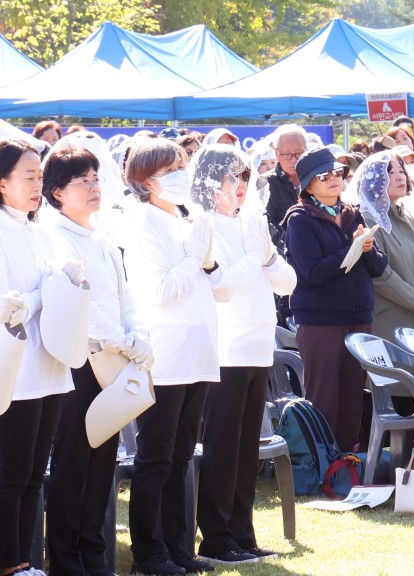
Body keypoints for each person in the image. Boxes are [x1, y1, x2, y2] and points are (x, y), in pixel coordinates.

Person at [43, 145, 154, 576]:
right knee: (74, 462)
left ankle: (93, 554)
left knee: (102, 461)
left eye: (95, 179)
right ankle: (66, 559)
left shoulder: (102, 236)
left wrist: (137, 333)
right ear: (57, 192)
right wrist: (125, 342)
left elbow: (126, 294)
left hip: (114, 363)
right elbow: (81, 301)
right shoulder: (56, 236)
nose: (93, 187)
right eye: (82, 181)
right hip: (81, 364)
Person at [189, 146, 296, 564]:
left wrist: (266, 255)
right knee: (223, 446)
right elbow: (224, 285)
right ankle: (216, 537)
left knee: (247, 447)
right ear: (211, 181)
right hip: (226, 348)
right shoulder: (203, 224)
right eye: (232, 179)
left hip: (258, 346)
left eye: (244, 179)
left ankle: (242, 532)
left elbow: (287, 283)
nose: (239, 188)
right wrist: (257, 257)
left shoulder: (251, 222)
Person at [122, 138, 222, 575]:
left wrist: (207, 261)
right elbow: (160, 291)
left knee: (181, 456)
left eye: (183, 166)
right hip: (164, 356)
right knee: (156, 456)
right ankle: (149, 550)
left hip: (197, 352)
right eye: (170, 170)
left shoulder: (185, 219)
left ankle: (178, 545)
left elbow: (212, 284)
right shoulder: (143, 223)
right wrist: (193, 258)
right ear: (146, 181)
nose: (182, 176)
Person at [0, 139, 83, 576]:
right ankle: (7, 563)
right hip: (17, 368)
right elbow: (8, 305)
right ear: (2, 183)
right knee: (12, 473)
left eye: (39, 176)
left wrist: (65, 284)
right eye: (28, 177)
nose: (37, 186)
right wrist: (43, 294)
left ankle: (24, 561)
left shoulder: (40, 230)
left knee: (34, 473)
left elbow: (52, 289)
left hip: (51, 360)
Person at [282, 146, 386, 452]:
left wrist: (368, 250)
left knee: (353, 399)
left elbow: (379, 267)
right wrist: (349, 250)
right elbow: (311, 272)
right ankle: (320, 465)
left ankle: (345, 464)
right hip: (321, 321)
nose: (332, 179)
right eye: (323, 176)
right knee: (324, 399)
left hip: (359, 317)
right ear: (307, 185)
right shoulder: (300, 219)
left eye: (337, 173)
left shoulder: (353, 213)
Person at [356, 151, 414, 340]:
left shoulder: (409, 217)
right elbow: (381, 275)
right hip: (391, 320)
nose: (399, 177)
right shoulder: (367, 220)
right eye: (389, 172)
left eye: (401, 171)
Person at [265, 124, 308, 243]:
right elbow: (268, 225)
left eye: (299, 153)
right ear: (277, 153)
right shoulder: (266, 183)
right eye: (287, 154)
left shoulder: (316, 179)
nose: (294, 160)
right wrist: (293, 243)